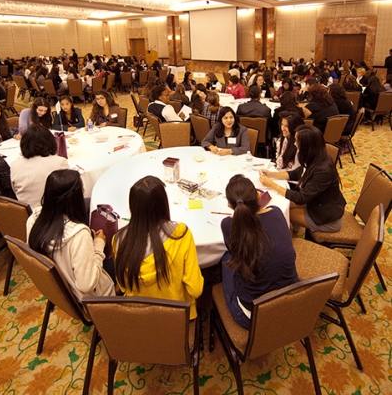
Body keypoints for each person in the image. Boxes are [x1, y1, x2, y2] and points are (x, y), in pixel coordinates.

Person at [113, 176, 204, 320]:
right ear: (163, 203)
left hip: (139, 318)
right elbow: (196, 289)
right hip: (176, 318)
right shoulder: (180, 235)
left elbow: (123, 286)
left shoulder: (119, 240)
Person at [220, 174, 298, 329]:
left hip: (252, 316)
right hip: (291, 302)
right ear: (258, 196)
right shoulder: (276, 212)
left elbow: (235, 253)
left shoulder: (229, 225)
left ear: (229, 205)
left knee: (226, 259)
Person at [27, 169, 115, 300]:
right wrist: (98, 245)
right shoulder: (79, 235)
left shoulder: (34, 218)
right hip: (89, 298)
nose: (84, 191)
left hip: (60, 290)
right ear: (73, 198)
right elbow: (87, 285)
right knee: (120, 257)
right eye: (82, 189)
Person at [259, 125, 346, 233]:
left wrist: (272, 185)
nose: (294, 144)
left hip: (326, 217)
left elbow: (301, 198)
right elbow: (297, 173)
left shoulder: (323, 170)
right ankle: (294, 229)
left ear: (306, 146)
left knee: (279, 214)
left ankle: (289, 238)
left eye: (296, 141)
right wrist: (271, 174)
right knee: (280, 205)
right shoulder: (316, 157)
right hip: (316, 203)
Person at [11, 125, 69, 210]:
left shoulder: (14, 164)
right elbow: (69, 191)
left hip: (26, 215)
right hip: (54, 214)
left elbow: (15, 190)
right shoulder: (59, 162)